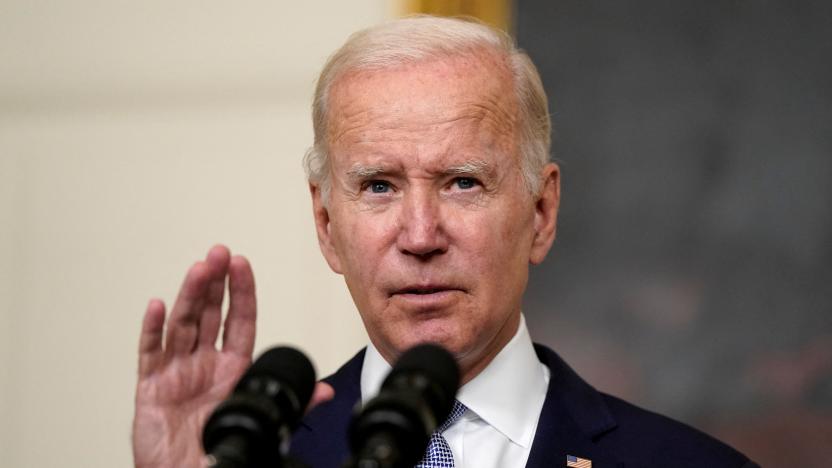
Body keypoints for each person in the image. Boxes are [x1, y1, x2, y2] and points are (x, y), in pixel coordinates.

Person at [132, 16, 758, 468]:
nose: (421, 236)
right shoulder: (259, 455)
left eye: (462, 182)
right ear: (327, 225)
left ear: (540, 212)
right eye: (379, 186)